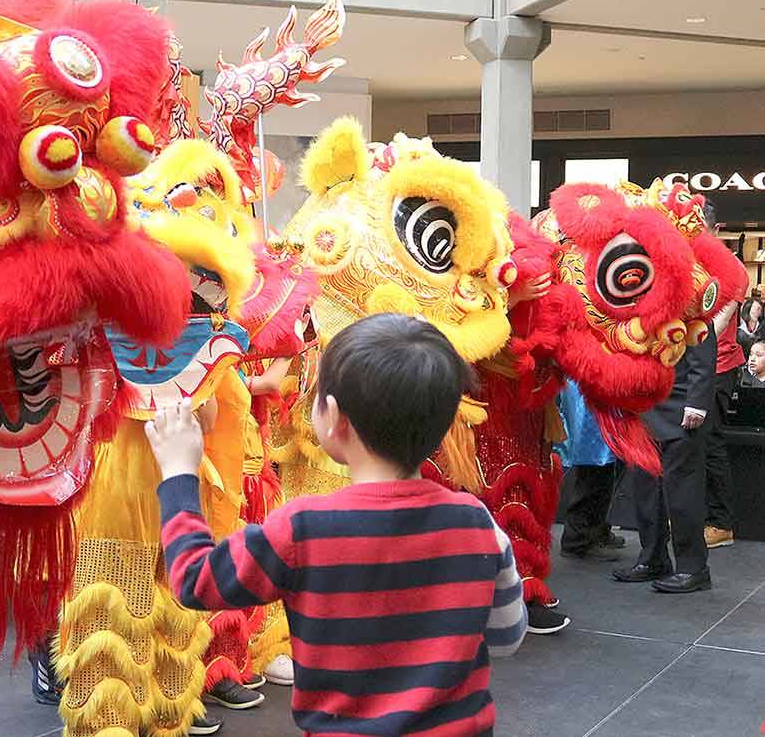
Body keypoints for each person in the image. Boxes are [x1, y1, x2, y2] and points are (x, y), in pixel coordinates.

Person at [151, 314, 526, 736]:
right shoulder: (477, 524)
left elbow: (195, 580)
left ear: (332, 416)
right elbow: (507, 636)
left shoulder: (303, 530)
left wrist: (179, 472)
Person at [614, 327, 717, 593]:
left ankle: (693, 567)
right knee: (645, 490)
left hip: (682, 404)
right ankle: (653, 557)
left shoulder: (691, 299)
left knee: (683, 494)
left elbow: (703, 355)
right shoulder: (636, 302)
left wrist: (697, 402)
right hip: (646, 405)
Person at [705, 229, 747, 551]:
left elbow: (717, 327)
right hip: (695, 365)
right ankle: (699, 515)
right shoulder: (693, 262)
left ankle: (721, 523)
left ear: (715, 230)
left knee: (710, 442)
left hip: (719, 365)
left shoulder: (733, 269)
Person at [556, 380, 625, 562]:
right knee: (594, 463)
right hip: (589, 389)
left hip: (603, 389)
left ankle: (596, 529)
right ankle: (578, 540)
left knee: (607, 463)